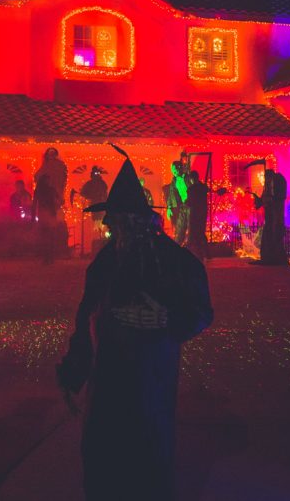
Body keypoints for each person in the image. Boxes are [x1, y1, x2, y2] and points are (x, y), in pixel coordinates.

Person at [57, 155, 213, 501]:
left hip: (150, 378)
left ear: (139, 221)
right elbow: (86, 319)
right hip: (108, 378)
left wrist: (168, 320)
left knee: (147, 458)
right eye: (113, 223)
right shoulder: (106, 261)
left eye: (121, 222)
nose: (114, 230)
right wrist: (75, 370)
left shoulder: (173, 261)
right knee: (103, 458)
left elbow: (201, 310)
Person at [252, 169, 288, 265]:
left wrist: (264, 200)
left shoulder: (276, 181)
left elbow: (271, 199)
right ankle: (269, 256)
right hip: (272, 216)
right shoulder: (275, 181)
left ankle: (272, 257)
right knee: (270, 233)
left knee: (273, 233)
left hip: (274, 216)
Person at [32, 174, 63, 264]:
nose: (49, 182)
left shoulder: (39, 190)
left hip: (44, 213)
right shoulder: (50, 189)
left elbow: (34, 203)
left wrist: (33, 216)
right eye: (48, 180)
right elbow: (59, 200)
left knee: (45, 236)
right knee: (50, 236)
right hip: (49, 214)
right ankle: (49, 257)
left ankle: (47, 257)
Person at [185, 170, 210, 261]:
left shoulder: (191, 189)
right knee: (201, 232)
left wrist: (185, 202)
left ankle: (194, 253)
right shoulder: (203, 187)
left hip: (194, 213)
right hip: (203, 213)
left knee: (192, 233)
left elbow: (189, 202)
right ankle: (206, 253)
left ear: (192, 178)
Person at [80, 166, 109, 239]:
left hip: (101, 206)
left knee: (102, 222)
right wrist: (91, 196)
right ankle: (96, 237)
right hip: (94, 205)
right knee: (95, 223)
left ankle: (101, 237)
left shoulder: (102, 183)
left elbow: (105, 193)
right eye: (95, 173)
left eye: (98, 173)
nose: (97, 175)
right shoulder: (89, 184)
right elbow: (83, 193)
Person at [163, 160, 188, 244]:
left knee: (190, 227)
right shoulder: (174, 181)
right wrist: (169, 208)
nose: (173, 171)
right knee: (178, 227)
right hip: (179, 207)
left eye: (174, 169)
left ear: (179, 168)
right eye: (172, 169)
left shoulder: (187, 178)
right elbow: (170, 195)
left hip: (190, 206)